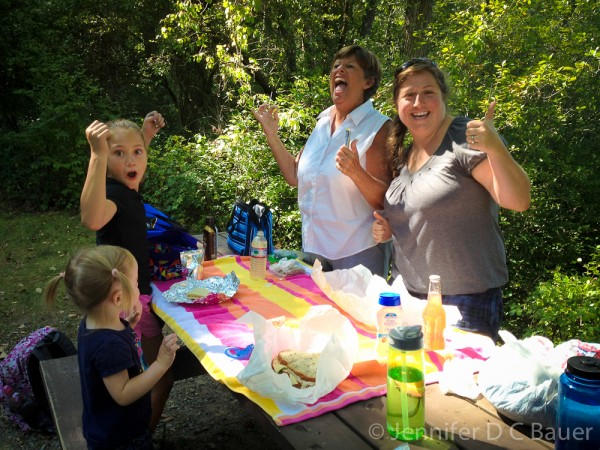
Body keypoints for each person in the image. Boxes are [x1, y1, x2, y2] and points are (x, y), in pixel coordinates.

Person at [372, 58, 531, 341]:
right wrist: (390, 227)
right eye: (409, 95)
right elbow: (427, 214)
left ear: (443, 96)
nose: (419, 102)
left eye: (428, 92)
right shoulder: (405, 152)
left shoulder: (463, 137)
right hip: (409, 298)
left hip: (465, 304)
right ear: (397, 104)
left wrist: (495, 149)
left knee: (455, 386)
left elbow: (517, 200)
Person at [253, 45, 393, 277]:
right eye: (336, 66)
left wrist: (356, 172)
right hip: (314, 251)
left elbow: (388, 200)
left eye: (349, 66)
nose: (339, 70)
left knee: (356, 315)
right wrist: (272, 135)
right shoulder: (322, 123)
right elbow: (294, 175)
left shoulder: (379, 127)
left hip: (357, 253)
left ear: (368, 82)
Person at [79, 111, 172, 431]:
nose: (131, 161)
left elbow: (129, 164)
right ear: (105, 161)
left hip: (139, 295)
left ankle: (141, 433)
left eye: (138, 152)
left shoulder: (125, 184)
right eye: (118, 153)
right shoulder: (113, 194)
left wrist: (144, 135)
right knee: (142, 377)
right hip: (124, 305)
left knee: (158, 371)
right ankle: (135, 435)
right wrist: (96, 155)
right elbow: (91, 218)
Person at [44, 245, 179, 450]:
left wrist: (129, 327)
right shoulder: (109, 345)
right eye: (135, 284)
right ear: (118, 298)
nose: (138, 288)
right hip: (121, 439)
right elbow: (123, 393)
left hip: (105, 427)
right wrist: (160, 364)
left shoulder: (92, 324)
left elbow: (109, 356)